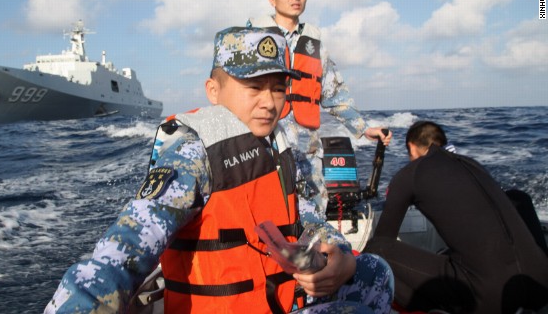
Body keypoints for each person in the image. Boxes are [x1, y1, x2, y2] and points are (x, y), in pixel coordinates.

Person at [44, 27, 393, 314]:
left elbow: (301, 212)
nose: (269, 102)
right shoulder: (193, 154)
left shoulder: (276, 144)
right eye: (253, 87)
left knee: (375, 272)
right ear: (214, 90)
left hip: (276, 298)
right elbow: (121, 252)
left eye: (277, 88)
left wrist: (339, 254)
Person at [247, 0, 392, 220]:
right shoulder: (249, 38)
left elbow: (334, 93)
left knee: (313, 217)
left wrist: (363, 128)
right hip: (261, 150)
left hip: (306, 154)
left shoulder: (315, 46)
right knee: (264, 217)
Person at [363, 121, 548, 313]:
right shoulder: (472, 164)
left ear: (411, 147)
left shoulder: (411, 173)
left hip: (489, 299)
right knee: (517, 196)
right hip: (541, 284)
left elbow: (384, 240)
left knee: (378, 249)